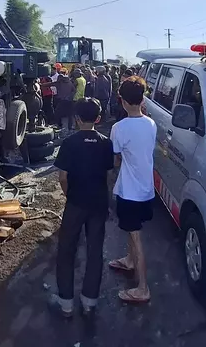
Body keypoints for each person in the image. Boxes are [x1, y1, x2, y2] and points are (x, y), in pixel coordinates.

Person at [50, 98, 113, 317]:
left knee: (67, 250)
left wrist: (69, 194)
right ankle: (89, 301)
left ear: (76, 119)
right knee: (95, 251)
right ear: (98, 118)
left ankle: (66, 302)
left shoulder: (70, 143)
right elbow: (108, 173)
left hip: (76, 203)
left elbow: (63, 177)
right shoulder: (106, 142)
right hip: (98, 203)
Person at [107, 76, 156, 304]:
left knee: (137, 239)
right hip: (146, 190)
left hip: (130, 193)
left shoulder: (119, 128)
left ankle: (143, 287)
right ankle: (129, 260)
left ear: (123, 101)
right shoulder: (151, 123)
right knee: (132, 231)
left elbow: (115, 158)